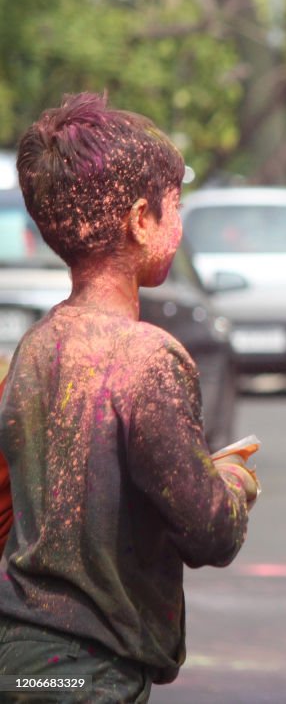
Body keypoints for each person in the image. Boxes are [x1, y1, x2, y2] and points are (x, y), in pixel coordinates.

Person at [0, 92, 260, 702]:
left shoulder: (34, 348)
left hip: (18, 654)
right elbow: (210, 533)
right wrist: (234, 482)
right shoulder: (148, 358)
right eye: (176, 208)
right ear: (141, 219)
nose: (179, 224)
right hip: (85, 674)